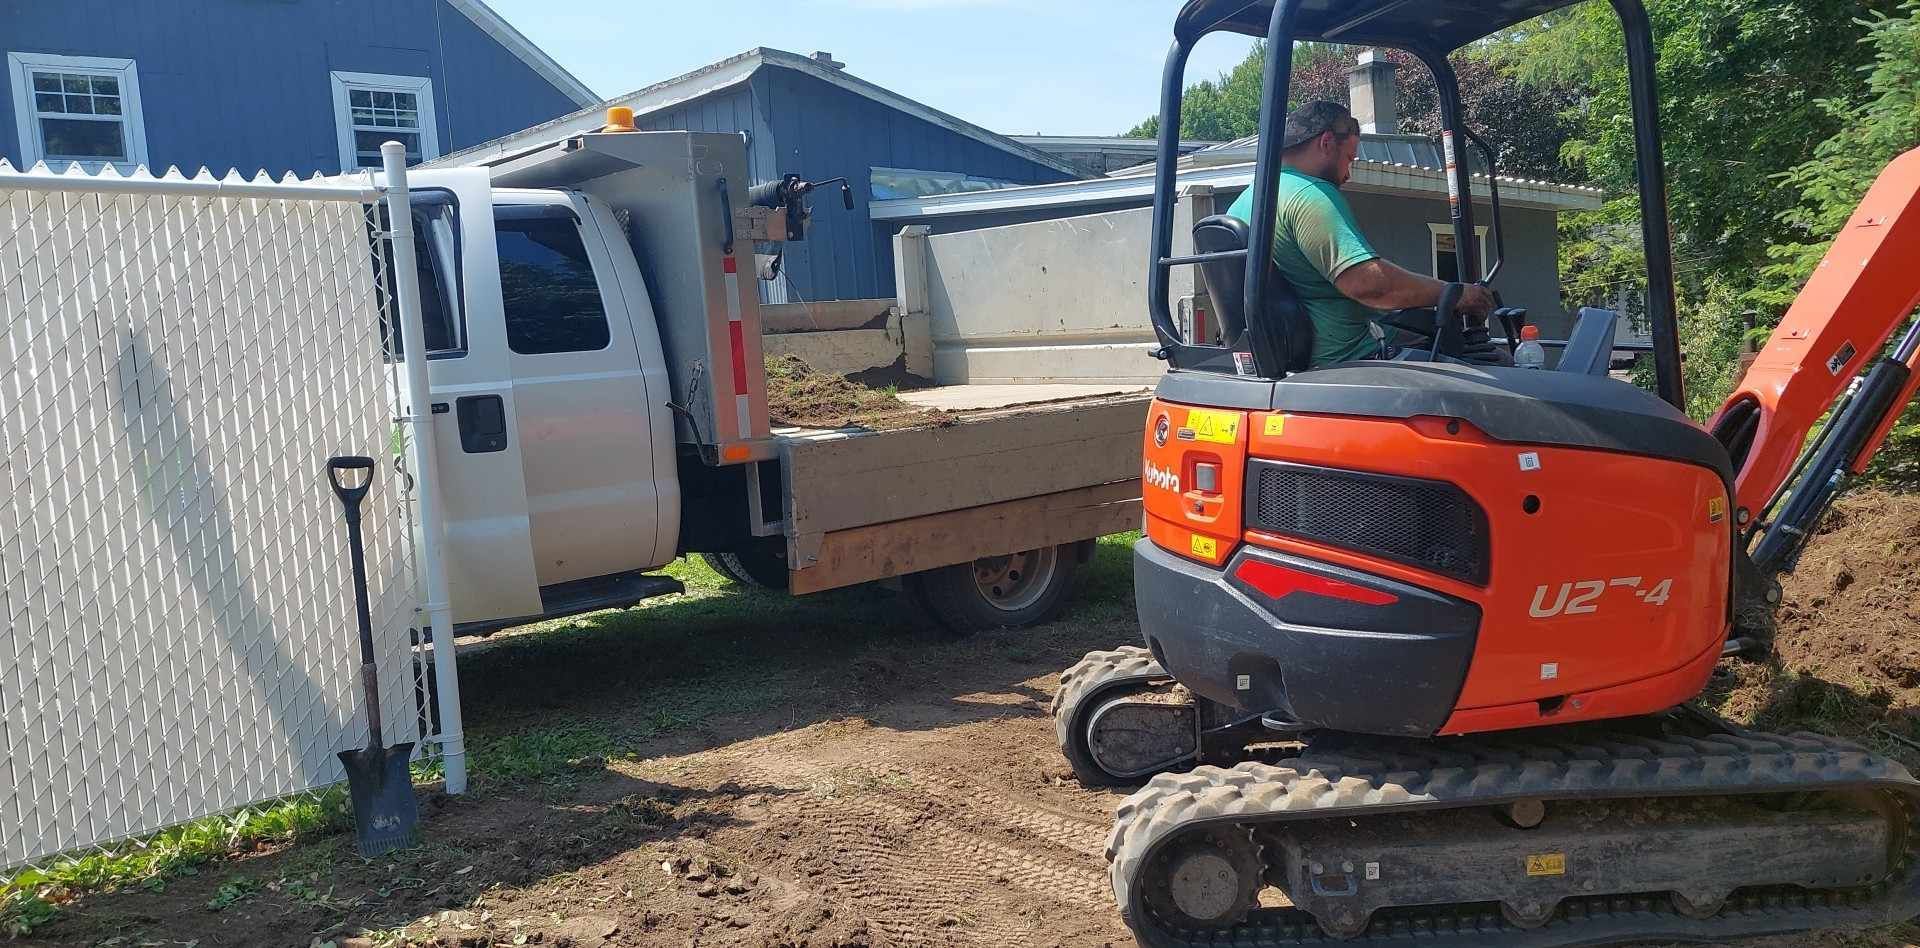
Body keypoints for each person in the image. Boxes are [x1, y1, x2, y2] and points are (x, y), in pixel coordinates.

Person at [1224, 100, 1501, 367]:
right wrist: (1453, 293)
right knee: (1492, 367)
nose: (1348, 173)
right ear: (1326, 143)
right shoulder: (1310, 196)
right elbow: (1370, 286)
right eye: (1349, 158)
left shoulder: (1245, 201)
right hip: (1349, 358)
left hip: (1293, 358)